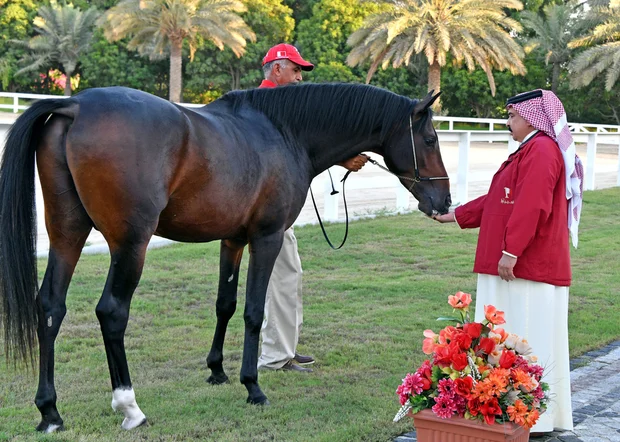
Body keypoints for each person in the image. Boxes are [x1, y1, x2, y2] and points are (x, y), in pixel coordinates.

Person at [432, 89, 583, 434]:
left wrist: (511, 251)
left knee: (525, 334)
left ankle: (530, 416)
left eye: (512, 116)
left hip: (528, 267)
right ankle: (511, 411)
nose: (508, 122)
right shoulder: (530, 150)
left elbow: (533, 205)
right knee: (508, 336)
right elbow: (499, 200)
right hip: (517, 263)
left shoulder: (541, 150)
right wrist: (456, 215)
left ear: (531, 117)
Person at [257, 43, 368, 373]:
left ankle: (284, 349)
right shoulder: (269, 104)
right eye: (295, 70)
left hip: (271, 207)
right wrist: (342, 159)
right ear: (277, 69)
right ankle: (276, 356)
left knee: (288, 275)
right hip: (267, 210)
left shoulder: (269, 103)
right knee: (283, 276)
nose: (299, 78)